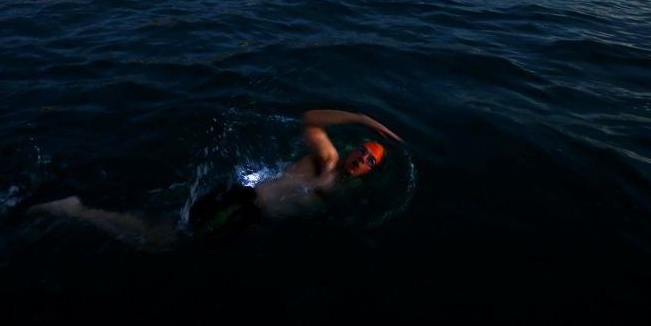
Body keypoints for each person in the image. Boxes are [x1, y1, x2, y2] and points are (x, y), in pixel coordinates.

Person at [28, 109, 403, 250]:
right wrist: (361, 119)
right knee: (159, 242)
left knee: (170, 235)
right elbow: (310, 120)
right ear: (352, 150)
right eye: (362, 151)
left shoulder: (343, 190)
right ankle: (76, 210)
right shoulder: (329, 163)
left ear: (370, 171)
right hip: (241, 204)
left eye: (370, 160)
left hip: (246, 216)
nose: (362, 158)